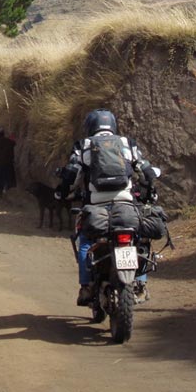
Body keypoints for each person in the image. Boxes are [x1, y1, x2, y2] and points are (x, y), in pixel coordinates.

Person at [69, 108, 152, 306]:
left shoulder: (84, 146)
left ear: (90, 127)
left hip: (96, 207)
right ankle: (140, 283)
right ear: (113, 125)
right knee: (138, 237)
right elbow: (146, 170)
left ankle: (87, 286)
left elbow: (72, 174)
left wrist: (63, 191)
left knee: (86, 242)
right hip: (126, 206)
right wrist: (150, 190)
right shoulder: (127, 144)